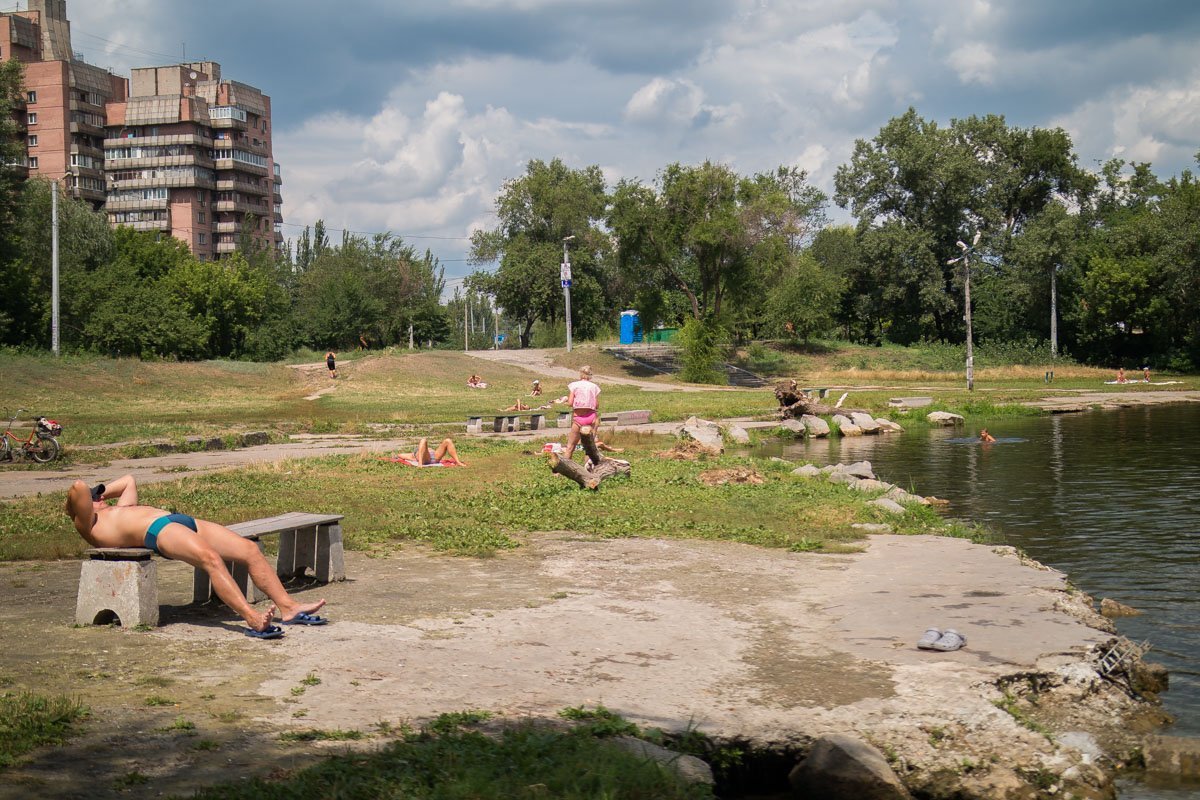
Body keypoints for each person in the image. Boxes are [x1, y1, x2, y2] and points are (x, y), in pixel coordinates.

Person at [64, 475, 328, 638]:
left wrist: (100, 491)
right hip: (159, 532)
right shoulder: (89, 524)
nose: (97, 498)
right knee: (211, 559)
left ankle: (289, 608)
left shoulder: (118, 508)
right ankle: (253, 619)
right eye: (93, 498)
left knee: (249, 550)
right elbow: (77, 488)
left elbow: (128, 481)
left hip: (180, 521)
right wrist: (85, 497)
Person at [563, 366, 601, 463]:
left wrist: (565, 401)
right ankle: (587, 470)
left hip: (578, 418)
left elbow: (570, 403)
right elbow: (596, 405)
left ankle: (562, 471)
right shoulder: (594, 387)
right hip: (591, 417)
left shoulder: (574, 385)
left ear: (580, 374)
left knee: (570, 446)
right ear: (590, 375)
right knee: (589, 449)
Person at [395, 438, 466, 467]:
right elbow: (401, 455)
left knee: (448, 440)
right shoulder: (413, 456)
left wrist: (419, 462)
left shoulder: (413, 455)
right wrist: (420, 462)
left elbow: (400, 455)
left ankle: (458, 462)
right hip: (428, 459)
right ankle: (458, 462)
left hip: (434, 456)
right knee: (423, 440)